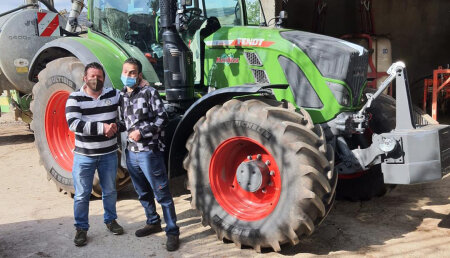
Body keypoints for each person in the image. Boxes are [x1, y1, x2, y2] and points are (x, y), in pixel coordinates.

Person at [118, 57, 180, 251]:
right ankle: (152, 221)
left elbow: (163, 117)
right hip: (131, 152)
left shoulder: (149, 92)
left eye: (132, 73)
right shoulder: (122, 96)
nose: (128, 76)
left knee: (161, 193)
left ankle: (172, 231)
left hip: (149, 152)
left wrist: (142, 132)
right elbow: (123, 122)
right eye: (125, 72)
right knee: (142, 192)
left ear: (139, 75)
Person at [65, 62, 123, 247]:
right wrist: (102, 128)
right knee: (82, 194)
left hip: (109, 154)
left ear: (103, 78)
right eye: (92, 76)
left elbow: (128, 111)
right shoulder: (75, 98)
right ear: (84, 78)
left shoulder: (113, 95)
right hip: (85, 156)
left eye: (99, 77)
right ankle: (81, 229)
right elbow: (74, 124)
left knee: (110, 191)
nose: (95, 80)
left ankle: (111, 220)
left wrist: (115, 127)